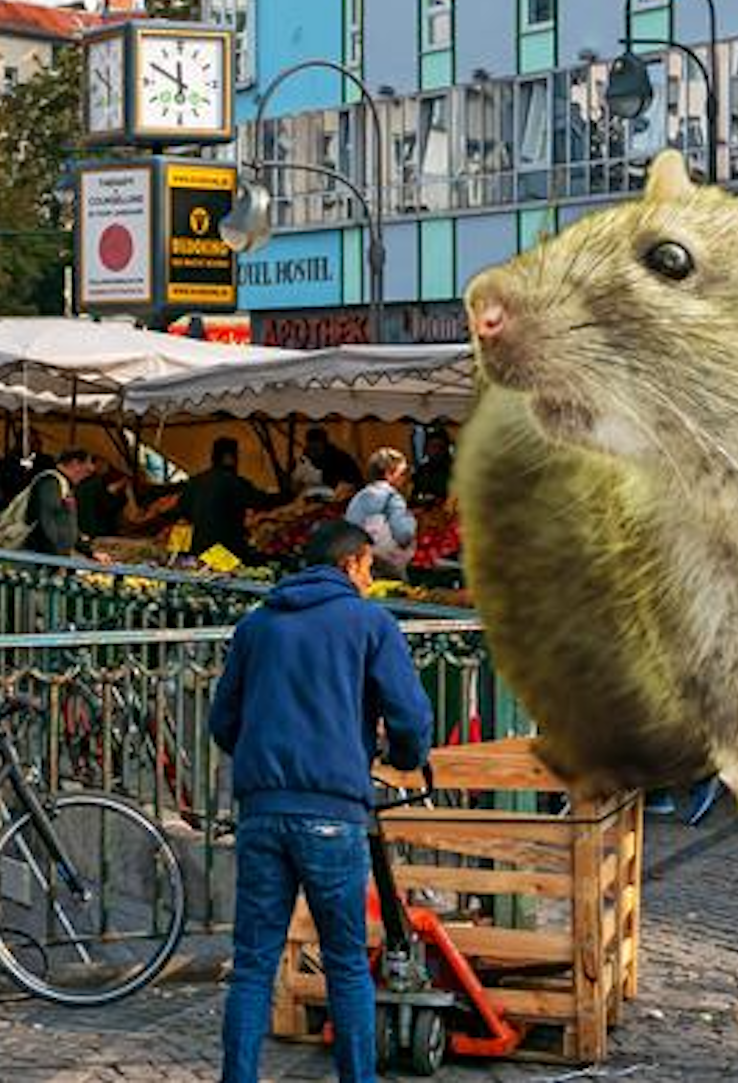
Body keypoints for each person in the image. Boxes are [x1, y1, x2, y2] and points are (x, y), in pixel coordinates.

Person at [210, 519, 435, 1083]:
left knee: (254, 966)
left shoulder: (256, 625)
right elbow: (410, 717)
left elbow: (223, 723)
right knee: (347, 964)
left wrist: (267, 762)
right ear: (351, 564)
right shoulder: (369, 622)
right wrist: (405, 758)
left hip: (263, 810)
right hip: (333, 813)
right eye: (367, 568)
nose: (369, 579)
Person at [149, 437, 290, 563]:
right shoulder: (234, 482)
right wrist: (288, 496)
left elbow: (181, 513)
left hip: (198, 551)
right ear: (229, 457)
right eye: (235, 456)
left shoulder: (195, 482)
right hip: (226, 552)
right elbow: (261, 502)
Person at [20, 449, 105, 559]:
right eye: (86, 470)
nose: (87, 474)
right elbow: (46, 521)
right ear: (75, 464)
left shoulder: (63, 485)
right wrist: (58, 557)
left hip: (49, 557)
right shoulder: (51, 483)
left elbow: (66, 525)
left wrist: (89, 551)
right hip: (39, 557)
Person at [345, 448, 418, 578]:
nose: (405, 479)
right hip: (387, 565)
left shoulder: (359, 496)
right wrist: (412, 520)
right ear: (389, 474)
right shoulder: (392, 498)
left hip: (359, 562)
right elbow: (404, 536)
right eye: (402, 473)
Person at [294, 427, 363, 498]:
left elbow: (354, 481)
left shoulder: (340, 458)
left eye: (317, 448)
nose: (314, 452)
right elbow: (296, 483)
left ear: (324, 444)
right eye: (312, 448)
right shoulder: (304, 460)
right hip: (310, 498)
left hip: (339, 498)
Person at [412, 428, 455, 506]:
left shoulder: (452, 471)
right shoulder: (422, 470)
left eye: (440, 447)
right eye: (433, 446)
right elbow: (415, 494)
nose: (437, 451)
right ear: (427, 448)